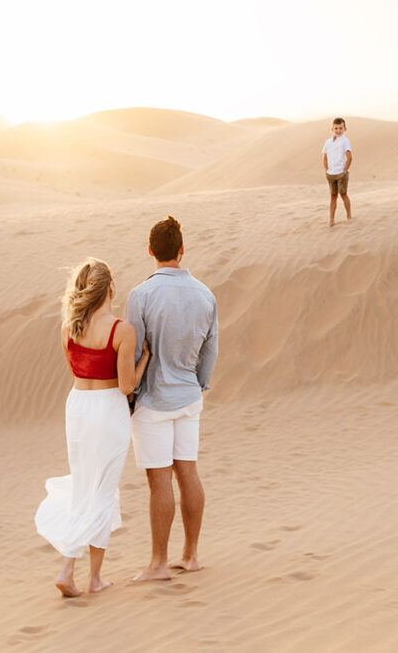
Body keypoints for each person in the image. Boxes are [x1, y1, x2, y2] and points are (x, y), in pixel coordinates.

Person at [35, 258, 151, 597]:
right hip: (107, 410)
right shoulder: (121, 330)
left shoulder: (68, 328)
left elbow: (78, 371)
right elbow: (127, 387)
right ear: (111, 288)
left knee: (85, 485)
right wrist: (144, 359)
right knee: (102, 490)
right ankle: (76, 570)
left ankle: (88, 574)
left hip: (77, 408)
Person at [125, 216, 218, 582]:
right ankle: (191, 555)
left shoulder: (141, 295)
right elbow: (210, 351)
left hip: (153, 400)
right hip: (188, 396)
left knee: (159, 480)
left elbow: (134, 353)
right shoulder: (205, 294)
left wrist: (132, 393)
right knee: (188, 472)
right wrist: (198, 385)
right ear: (182, 249)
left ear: (151, 251)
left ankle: (158, 564)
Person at [322, 117, 353, 227]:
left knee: (343, 194)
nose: (338, 130)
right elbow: (325, 157)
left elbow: (349, 157)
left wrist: (345, 170)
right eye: (336, 128)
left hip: (341, 173)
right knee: (333, 196)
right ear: (332, 129)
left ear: (345, 129)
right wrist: (326, 170)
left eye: (340, 128)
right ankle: (331, 219)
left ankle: (349, 216)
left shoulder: (345, 141)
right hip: (331, 174)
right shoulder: (328, 142)